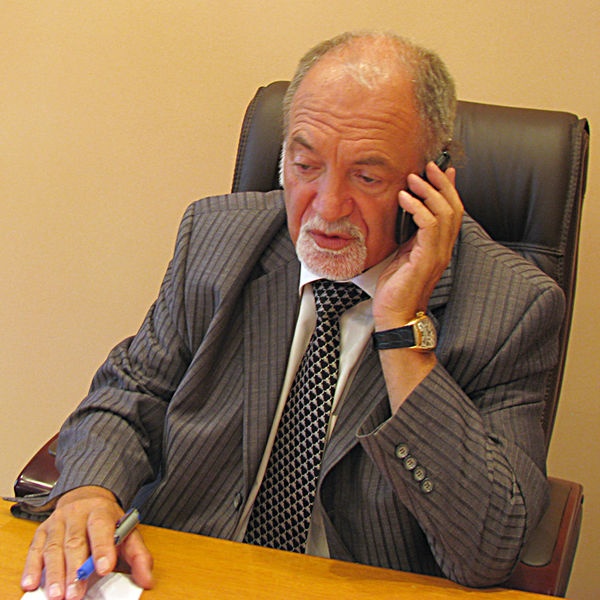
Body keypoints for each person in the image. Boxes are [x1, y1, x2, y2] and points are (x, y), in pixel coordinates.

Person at [21, 31, 564, 600]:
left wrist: (403, 331)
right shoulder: (216, 239)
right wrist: (90, 491)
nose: (326, 207)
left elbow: (488, 548)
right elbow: (131, 393)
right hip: (186, 572)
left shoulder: (513, 308)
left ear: (432, 180)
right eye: (306, 165)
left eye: (367, 177)